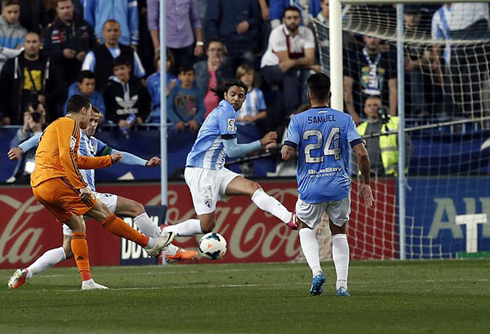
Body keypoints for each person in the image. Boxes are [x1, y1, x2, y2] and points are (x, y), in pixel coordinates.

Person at [7, 107, 197, 289]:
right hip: (79, 192)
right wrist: (21, 148)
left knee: (68, 249)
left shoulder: (93, 143)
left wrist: (144, 163)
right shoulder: (69, 133)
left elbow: (118, 155)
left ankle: (27, 272)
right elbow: (40, 138)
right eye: (90, 120)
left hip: (69, 196)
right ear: (82, 116)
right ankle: (169, 250)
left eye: (96, 121)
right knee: (135, 208)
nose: (93, 124)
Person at [163, 80, 297, 238]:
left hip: (216, 169)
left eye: (241, 96)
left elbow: (231, 148)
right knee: (206, 226)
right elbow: (232, 151)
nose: (236, 98)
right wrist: (260, 142)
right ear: (225, 95)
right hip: (202, 171)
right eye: (233, 94)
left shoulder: (224, 111)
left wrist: (259, 146)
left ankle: (289, 218)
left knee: (252, 187)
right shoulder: (226, 112)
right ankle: (165, 231)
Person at [281, 73, 374, 297]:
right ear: (330, 95)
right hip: (339, 185)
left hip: (311, 187)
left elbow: (286, 154)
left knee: (305, 226)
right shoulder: (344, 119)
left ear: (308, 95)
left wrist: (284, 148)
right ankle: (342, 285)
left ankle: (316, 272)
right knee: (339, 231)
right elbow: (361, 153)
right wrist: (366, 183)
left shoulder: (298, 120)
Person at [261, 6, 318, 126]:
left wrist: (304, 65)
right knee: (290, 74)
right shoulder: (277, 33)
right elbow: (285, 63)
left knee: (309, 75)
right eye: (289, 18)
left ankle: (306, 107)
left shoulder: (306, 32)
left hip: (292, 68)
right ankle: (292, 112)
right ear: (283, 20)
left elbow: (310, 59)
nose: (292, 21)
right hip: (270, 67)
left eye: (295, 18)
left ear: (300, 19)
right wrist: (308, 65)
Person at [0, 31, 62, 125]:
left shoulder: (50, 64)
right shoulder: (11, 65)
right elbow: (3, 92)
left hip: (43, 117)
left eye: (34, 42)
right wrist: (5, 115)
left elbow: (59, 87)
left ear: (40, 43)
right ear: (23, 44)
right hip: (16, 117)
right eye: (28, 42)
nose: (31, 45)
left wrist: (47, 98)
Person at [42, 0, 98, 88]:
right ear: (57, 9)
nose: (66, 11)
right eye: (62, 8)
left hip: (82, 75)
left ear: (73, 7)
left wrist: (86, 55)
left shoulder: (85, 26)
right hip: (59, 76)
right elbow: (44, 53)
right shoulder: (50, 30)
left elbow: (96, 48)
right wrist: (62, 53)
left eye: (68, 7)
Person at [344, 35, 397, 124]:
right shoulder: (354, 58)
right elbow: (347, 88)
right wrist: (352, 113)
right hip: (359, 109)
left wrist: (392, 114)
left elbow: (393, 89)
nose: (372, 40)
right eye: (369, 37)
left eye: (375, 37)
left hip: (383, 110)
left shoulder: (387, 59)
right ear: (364, 38)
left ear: (380, 38)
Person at [82, 20, 146, 92]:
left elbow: (141, 77)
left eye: (115, 31)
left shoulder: (130, 52)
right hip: (103, 98)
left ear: (120, 33)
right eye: (109, 31)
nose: (112, 34)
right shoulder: (93, 54)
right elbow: (85, 78)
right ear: (103, 33)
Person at [357, 95, 412, 176]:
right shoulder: (359, 129)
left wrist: (400, 167)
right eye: (369, 105)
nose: (372, 107)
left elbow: (408, 147)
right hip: (367, 174)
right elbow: (354, 154)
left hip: (390, 174)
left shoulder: (394, 123)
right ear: (365, 109)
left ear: (381, 108)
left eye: (375, 105)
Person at [205, 0, 260, 72]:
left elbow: (258, 19)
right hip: (225, 46)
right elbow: (210, 23)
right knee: (225, 79)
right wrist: (219, 43)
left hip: (247, 44)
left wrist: (249, 23)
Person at [147, 0, 203, 70]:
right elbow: (152, 22)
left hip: (187, 43)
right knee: (168, 77)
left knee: (187, 76)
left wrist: (199, 43)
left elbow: (195, 19)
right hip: (166, 45)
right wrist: (157, 46)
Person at [235, 63, 267, 176]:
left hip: (252, 128)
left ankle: (251, 169)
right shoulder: (234, 94)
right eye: (244, 75)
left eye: (249, 74)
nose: (247, 77)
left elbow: (263, 112)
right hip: (238, 128)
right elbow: (228, 113)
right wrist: (240, 118)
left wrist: (253, 118)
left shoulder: (258, 93)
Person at [103, 56, 151, 132]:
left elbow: (147, 106)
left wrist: (142, 118)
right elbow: (108, 110)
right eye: (116, 70)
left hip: (139, 129)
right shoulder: (109, 89)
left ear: (129, 68)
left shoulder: (139, 86)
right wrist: (118, 121)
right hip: (115, 131)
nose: (120, 72)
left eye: (122, 68)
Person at [6, 101, 46, 184]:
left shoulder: (52, 131)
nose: (35, 116)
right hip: (22, 176)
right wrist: (24, 129)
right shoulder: (23, 135)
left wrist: (38, 131)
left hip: (43, 176)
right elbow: (12, 151)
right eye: (30, 114)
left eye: (40, 112)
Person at [193, 38, 233, 116]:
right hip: (200, 113)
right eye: (212, 50)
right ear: (207, 52)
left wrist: (219, 71)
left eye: (219, 50)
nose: (216, 53)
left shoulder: (226, 69)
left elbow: (228, 90)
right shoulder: (198, 67)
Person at [167, 64, 205, 133]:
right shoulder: (174, 90)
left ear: (194, 77)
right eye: (184, 74)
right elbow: (169, 108)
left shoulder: (198, 91)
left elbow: (202, 109)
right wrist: (176, 121)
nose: (187, 77)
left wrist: (196, 120)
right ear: (179, 77)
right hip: (176, 128)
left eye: (189, 75)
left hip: (193, 128)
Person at [147, 49, 179, 123]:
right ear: (156, 62)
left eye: (167, 60)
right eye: (161, 59)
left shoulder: (176, 80)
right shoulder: (151, 80)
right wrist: (166, 93)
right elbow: (150, 102)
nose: (165, 63)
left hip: (173, 118)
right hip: (156, 117)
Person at [0, 0, 27, 72]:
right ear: (3, 11)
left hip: (12, 70)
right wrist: (11, 52)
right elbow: (14, 53)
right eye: (9, 12)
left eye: (16, 12)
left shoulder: (23, 32)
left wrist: (2, 50)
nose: (13, 15)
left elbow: (19, 54)